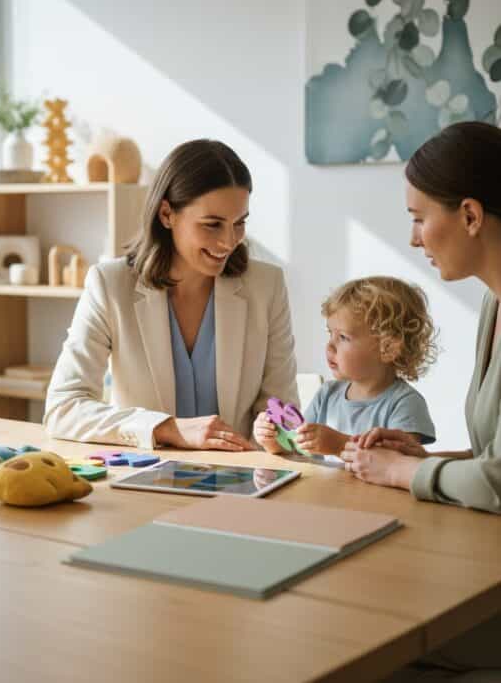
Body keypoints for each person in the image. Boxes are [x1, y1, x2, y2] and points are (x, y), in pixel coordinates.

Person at [339, 122, 501, 682]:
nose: (413, 238)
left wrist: (405, 472)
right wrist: (424, 458)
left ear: (471, 216)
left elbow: (499, 483)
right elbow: (492, 459)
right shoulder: (493, 306)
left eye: (418, 217)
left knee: (360, 626)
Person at [43, 139, 299, 451]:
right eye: (212, 225)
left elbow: (282, 412)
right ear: (167, 214)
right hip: (145, 482)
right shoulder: (109, 285)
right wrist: (166, 428)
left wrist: (277, 434)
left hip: (242, 482)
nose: (229, 242)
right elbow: (63, 408)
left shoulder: (266, 286)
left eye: (239, 223)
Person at [253, 277, 437, 457]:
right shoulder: (327, 394)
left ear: (387, 348)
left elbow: (400, 462)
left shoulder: (405, 403)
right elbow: (297, 447)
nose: (329, 346)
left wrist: (340, 445)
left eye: (343, 337)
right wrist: (273, 440)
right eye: (330, 334)